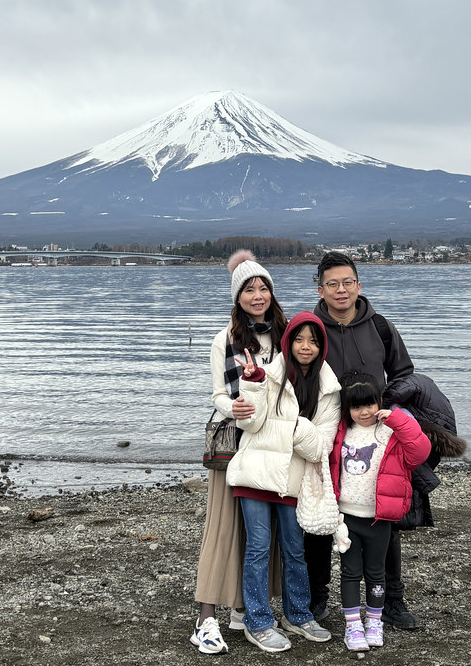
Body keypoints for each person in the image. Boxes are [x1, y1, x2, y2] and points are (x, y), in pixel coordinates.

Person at [307, 250, 432, 628]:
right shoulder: (311, 329)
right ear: (321, 289)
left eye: (347, 282)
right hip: (328, 434)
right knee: (320, 517)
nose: (341, 289)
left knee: (383, 517)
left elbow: (404, 375)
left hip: (374, 433)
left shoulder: (380, 326)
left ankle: (393, 601)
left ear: (359, 285)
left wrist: (382, 413)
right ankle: (316, 601)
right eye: (332, 284)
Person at [226, 311, 340, 652]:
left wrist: (291, 428)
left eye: (313, 340)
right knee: (258, 549)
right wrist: (253, 382)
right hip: (256, 474)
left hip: (293, 480)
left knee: (295, 550)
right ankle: (258, 622)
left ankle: (298, 615)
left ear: (322, 346)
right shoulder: (269, 376)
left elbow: (321, 446)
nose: (306, 347)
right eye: (299, 339)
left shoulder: (329, 389)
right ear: (288, 342)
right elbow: (251, 424)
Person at [191, 250, 287, 654]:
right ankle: (204, 618)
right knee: (224, 526)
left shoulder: (285, 335)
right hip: (234, 444)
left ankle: (245, 607)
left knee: (265, 531)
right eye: (249, 289)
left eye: (263, 286)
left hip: (275, 443)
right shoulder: (223, 339)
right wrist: (235, 406)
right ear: (238, 297)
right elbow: (217, 393)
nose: (258, 294)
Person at [329, 372, 432, 652]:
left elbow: (420, 451)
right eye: (356, 406)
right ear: (348, 409)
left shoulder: (391, 432)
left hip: (379, 518)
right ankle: (352, 625)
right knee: (350, 573)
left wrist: (398, 419)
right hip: (346, 518)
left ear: (379, 403)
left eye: (370, 405)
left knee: (376, 573)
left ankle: (374, 621)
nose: (364, 412)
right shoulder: (342, 432)